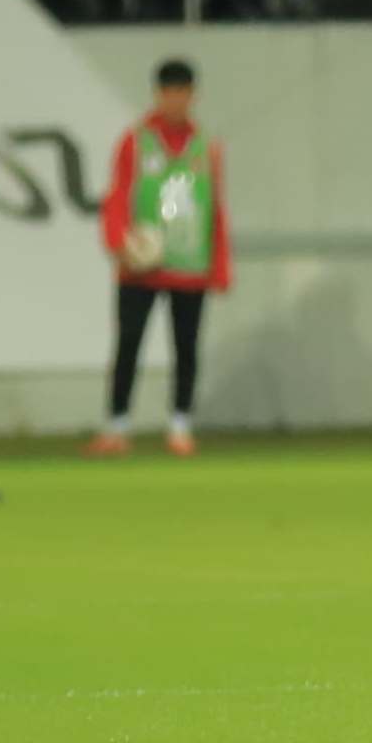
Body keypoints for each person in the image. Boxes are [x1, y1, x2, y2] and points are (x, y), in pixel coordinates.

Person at [91, 58, 230, 458]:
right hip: (141, 267)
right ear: (157, 95)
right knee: (128, 344)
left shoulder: (206, 147)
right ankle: (116, 427)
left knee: (186, 347)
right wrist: (119, 242)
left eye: (182, 93)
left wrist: (219, 265)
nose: (174, 101)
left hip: (189, 264)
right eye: (168, 93)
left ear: (192, 96)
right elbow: (117, 195)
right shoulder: (136, 141)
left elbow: (215, 207)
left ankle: (180, 426)